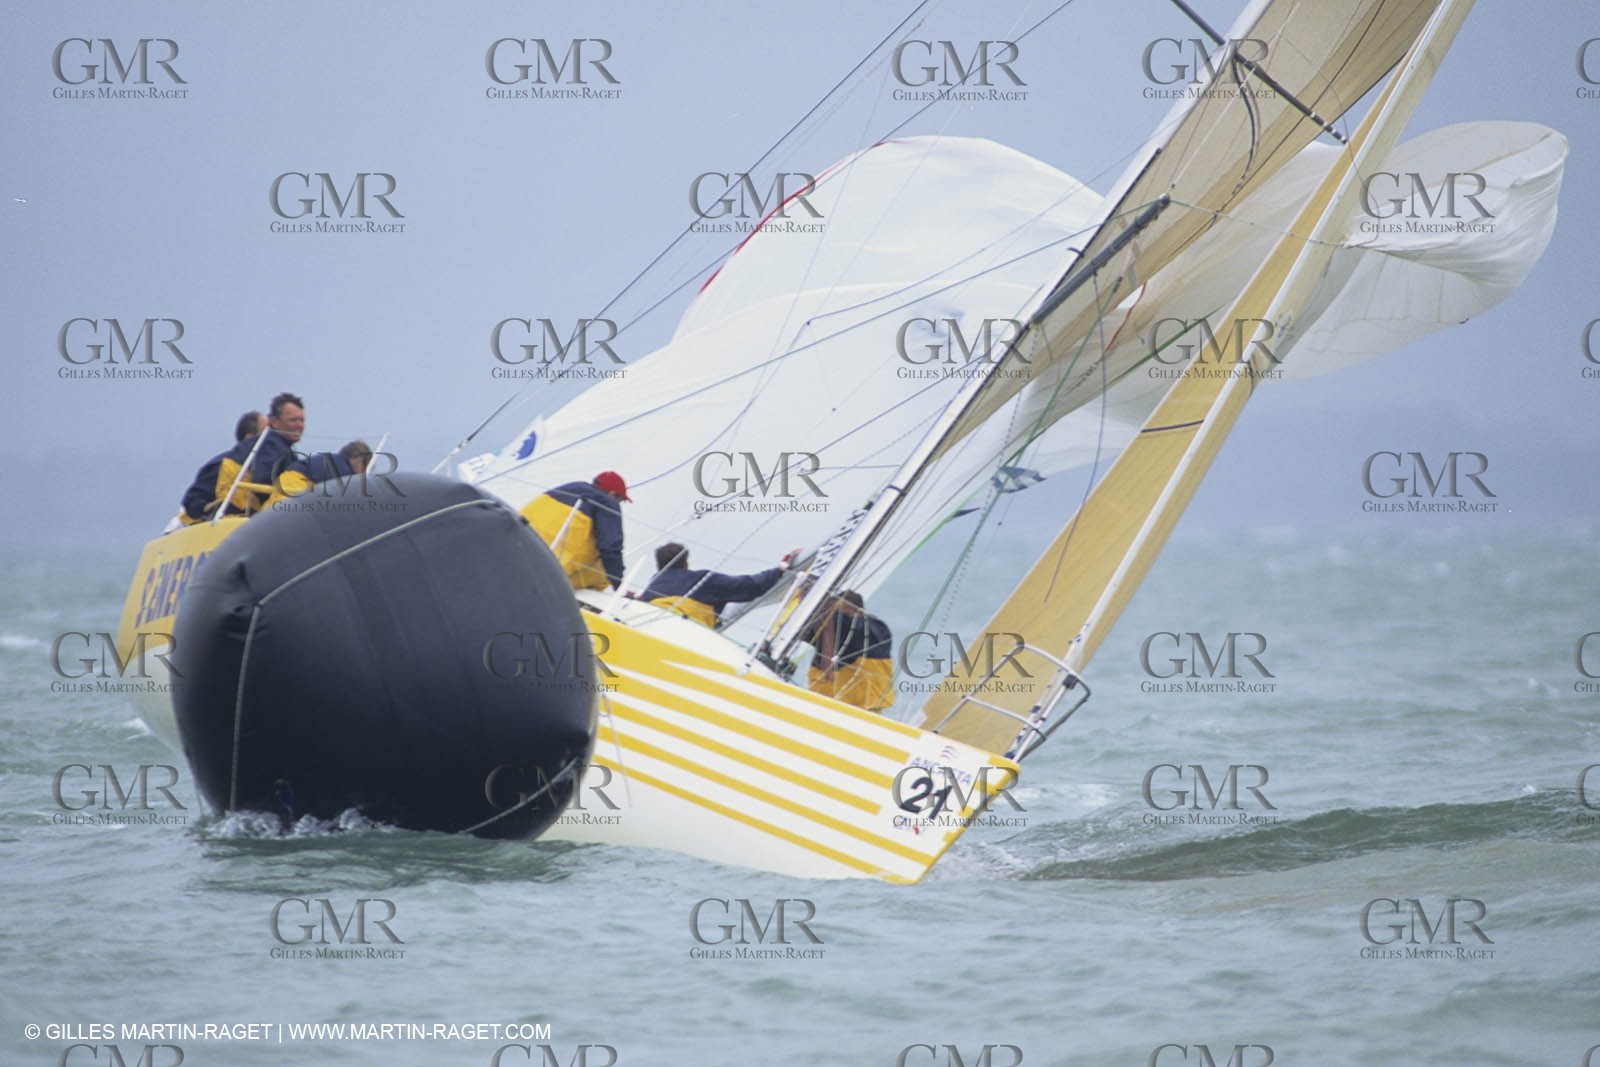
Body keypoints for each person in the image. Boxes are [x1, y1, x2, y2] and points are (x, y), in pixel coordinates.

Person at [640, 542, 792, 627]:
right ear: (686, 563)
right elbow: (748, 586)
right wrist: (778, 570)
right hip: (689, 632)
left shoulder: (650, 588)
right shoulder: (701, 580)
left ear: (658, 566)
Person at [522, 471, 630, 590]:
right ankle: (581, 603)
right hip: (549, 566)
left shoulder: (570, 487)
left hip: (518, 546)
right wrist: (618, 583)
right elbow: (610, 546)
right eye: (620, 500)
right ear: (612, 494)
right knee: (603, 572)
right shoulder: (607, 503)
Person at [213, 392, 308, 516]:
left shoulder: (280, 447)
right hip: (238, 514)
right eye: (293, 420)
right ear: (274, 422)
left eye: (302, 420)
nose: (299, 425)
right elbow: (263, 480)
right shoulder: (270, 444)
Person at [801, 590, 895, 713]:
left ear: (857, 612)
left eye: (840, 611)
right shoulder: (835, 630)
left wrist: (811, 595)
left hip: (861, 708)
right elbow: (807, 633)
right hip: (835, 702)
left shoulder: (869, 630)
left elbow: (844, 624)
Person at [178, 410, 261, 524]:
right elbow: (193, 501)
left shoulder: (273, 465)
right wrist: (209, 508)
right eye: (268, 435)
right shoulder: (223, 465)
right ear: (249, 438)